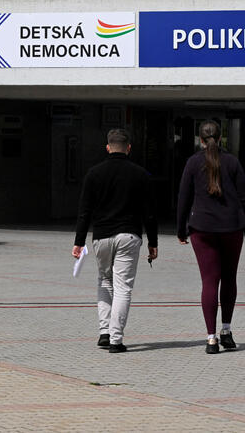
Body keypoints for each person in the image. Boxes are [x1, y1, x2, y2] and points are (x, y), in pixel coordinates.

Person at [177, 121, 245, 354]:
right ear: (221, 137)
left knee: (209, 281)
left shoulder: (193, 162)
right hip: (231, 228)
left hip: (201, 228)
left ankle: (211, 338)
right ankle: (226, 331)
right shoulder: (232, 162)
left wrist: (180, 229)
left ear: (200, 139)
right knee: (229, 279)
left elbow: (183, 198)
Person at [72, 128, 158, 354]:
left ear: (108, 147)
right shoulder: (141, 174)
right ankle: (116, 340)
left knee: (104, 281)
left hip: (101, 236)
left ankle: (104, 332)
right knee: (123, 288)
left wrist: (79, 241)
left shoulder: (94, 173)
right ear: (129, 148)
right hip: (129, 235)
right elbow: (149, 212)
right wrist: (153, 242)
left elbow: (84, 211)